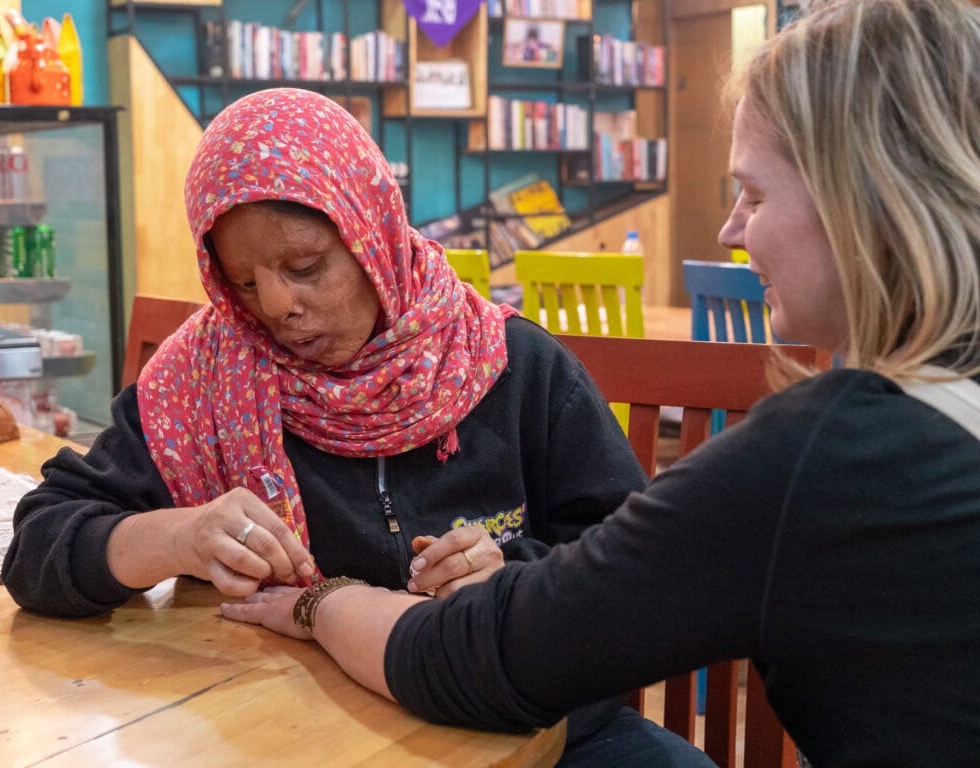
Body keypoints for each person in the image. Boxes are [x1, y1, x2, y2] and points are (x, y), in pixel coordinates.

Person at [217, 1, 980, 765]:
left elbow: (490, 654)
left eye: (753, 193)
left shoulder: (826, 457)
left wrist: (319, 601)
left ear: (865, 200)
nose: (730, 230)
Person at [1, 88, 714, 766]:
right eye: (244, 283)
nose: (279, 307)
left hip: (536, 733)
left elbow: (635, 574)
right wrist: (175, 534)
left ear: (370, 233)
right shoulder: (203, 377)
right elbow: (38, 546)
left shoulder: (511, 365)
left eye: (306, 266)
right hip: (296, 738)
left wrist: (513, 572)